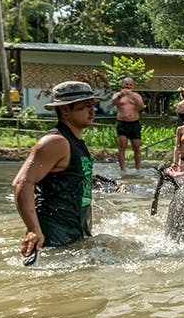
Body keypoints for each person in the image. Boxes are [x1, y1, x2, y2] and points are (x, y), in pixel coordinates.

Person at [12, 81, 100, 258]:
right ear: (65, 110)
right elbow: (22, 182)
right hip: (53, 237)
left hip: (75, 231)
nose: (92, 111)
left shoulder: (77, 143)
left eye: (92, 105)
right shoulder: (55, 142)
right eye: (85, 106)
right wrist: (33, 230)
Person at [111, 76, 145, 174]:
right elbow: (112, 103)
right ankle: (123, 170)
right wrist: (120, 96)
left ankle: (138, 169)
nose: (128, 86)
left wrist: (132, 96)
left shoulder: (136, 95)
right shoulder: (117, 95)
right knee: (122, 146)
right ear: (123, 85)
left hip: (134, 124)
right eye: (126, 84)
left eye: (130, 84)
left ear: (133, 86)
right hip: (122, 123)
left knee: (137, 147)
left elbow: (142, 106)